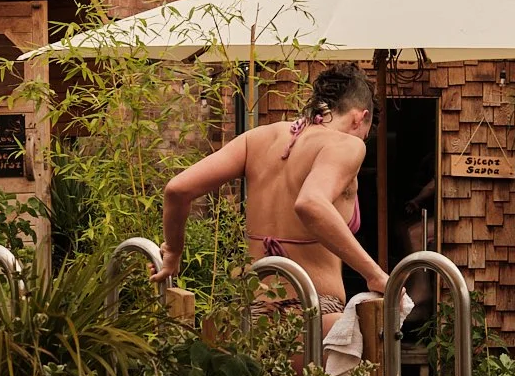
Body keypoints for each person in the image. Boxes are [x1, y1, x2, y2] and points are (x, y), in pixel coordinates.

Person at [159, 65, 386, 326]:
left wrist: (173, 250)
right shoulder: (347, 145)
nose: (361, 140)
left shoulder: (258, 138)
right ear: (360, 117)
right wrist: (374, 274)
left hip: (251, 316)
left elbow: (177, 189)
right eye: (364, 135)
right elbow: (311, 203)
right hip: (314, 314)